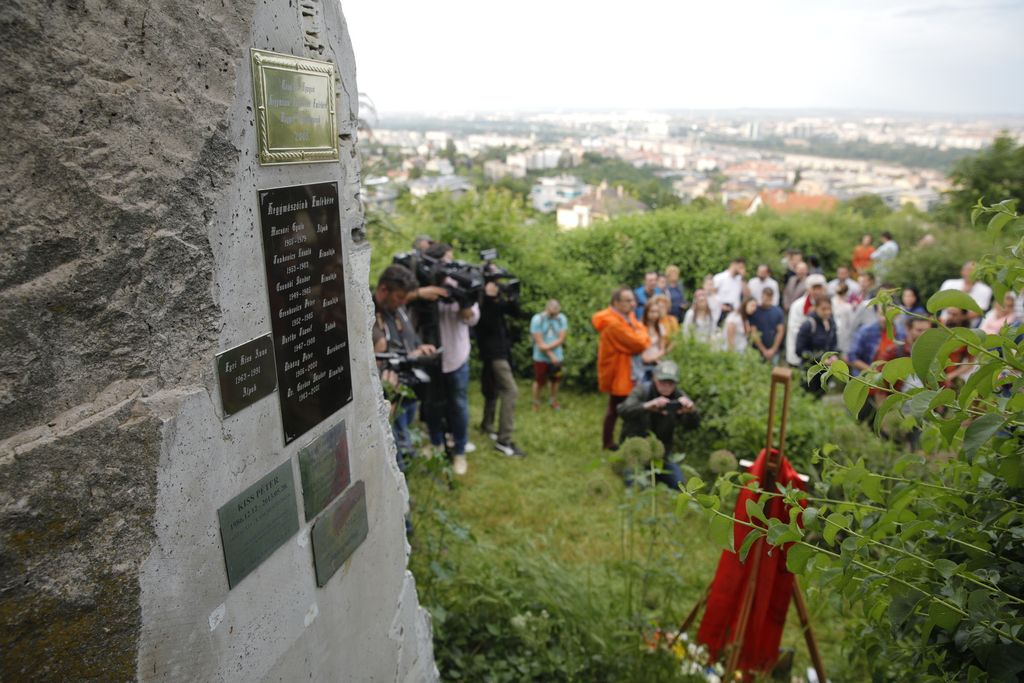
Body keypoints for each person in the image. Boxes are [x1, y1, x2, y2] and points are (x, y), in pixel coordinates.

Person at [373, 265, 439, 470]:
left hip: (408, 387)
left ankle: (408, 463)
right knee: (395, 440)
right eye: (399, 297)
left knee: (406, 430)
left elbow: (408, 338)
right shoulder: (369, 314)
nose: (403, 302)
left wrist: (420, 348)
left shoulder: (397, 309)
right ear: (383, 290)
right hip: (390, 393)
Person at [424, 243, 479, 475]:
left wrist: (462, 302)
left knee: (458, 405)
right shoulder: (424, 283)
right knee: (432, 405)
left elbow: (472, 318)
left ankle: (459, 451)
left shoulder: (461, 280)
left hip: (456, 355)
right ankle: (435, 443)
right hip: (431, 356)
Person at [617, 360, 699, 490]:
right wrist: (647, 406)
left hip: (662, 452)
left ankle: (655, 471)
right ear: (655, 378)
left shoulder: (679, 396)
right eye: (662, 381)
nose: (666, 386)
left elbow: (692, 426)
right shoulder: (642, 390)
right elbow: (622, 410)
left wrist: (690, 412)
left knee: (679, 484)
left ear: (675, 383)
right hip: (635, 448)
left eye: (670, 383)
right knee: (635, 485)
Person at [592, 287, 651, 451]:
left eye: (633, 300)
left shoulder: (627, 317)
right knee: (620, 409)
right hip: (619, 373)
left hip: (629, 370)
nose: (633, 304)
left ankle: (614, 442)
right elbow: (639, 343)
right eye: (628, 301)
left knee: (617, 408)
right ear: (616, 303)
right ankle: (615, 443)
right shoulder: (613, 324)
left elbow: (641, 334)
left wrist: (641, 334)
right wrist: (642, 335)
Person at [477, 276, 527, 458]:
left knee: (493, 389)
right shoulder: (481, 301)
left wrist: (513, 296)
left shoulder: (494, 302)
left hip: (499, 351)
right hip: (494, 353)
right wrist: (489, 298)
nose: (498, 286)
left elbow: (515, 312)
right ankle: (504, 440)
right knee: (510, 391)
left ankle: (487, 425)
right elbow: (485, 323)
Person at [530, 298, 568, 411]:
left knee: (555, 380)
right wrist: (550, 354)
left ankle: (553, 400)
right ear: (547, 309)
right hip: (540, 357)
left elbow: (561, 338)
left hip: (558, 357)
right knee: (539, 381)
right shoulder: (537, 319)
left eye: (557, 312)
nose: (554, 315)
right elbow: (539, 341)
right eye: (552, 313)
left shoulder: (561, 319)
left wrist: (547, 348)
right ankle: (536, 402)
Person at [795, 297, 838, 395]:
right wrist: (820, 359)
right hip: (810, 370)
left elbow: (833, 344)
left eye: (829, 309)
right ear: (816, 308)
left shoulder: (831, 323)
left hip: (825, 371)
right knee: (807, 395)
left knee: (820, 395)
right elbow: (799, 350)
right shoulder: (808, 325)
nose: (827, 312)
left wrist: (834, 355)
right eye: (824, 309)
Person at [846, 306, 903, 376]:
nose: (885, 318)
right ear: (876, 313)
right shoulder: (865, 332)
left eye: (889, 315)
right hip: (868, 379)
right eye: (882, 314)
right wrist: (874, 373)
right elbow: (852, 357)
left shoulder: (901, 333)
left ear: (896, 315)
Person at [785, 273, 827, 367]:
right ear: (808, 289)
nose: (817, 292)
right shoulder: (798, 305)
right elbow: (794, 328)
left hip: (819, 354)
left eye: (819, 288)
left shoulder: (827, 304)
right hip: (801, 351)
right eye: (814, 288)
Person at [749, 286, 785, 364]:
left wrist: (773, 350)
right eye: (766, 296)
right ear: (762, 296)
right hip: (757, 350)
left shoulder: (778, 312)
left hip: (774, 351)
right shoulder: (755, 311)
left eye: (770, 296)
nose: (767, 299)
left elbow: (780, 332)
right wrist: (764, 350)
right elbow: (754, 332)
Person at [634, 302, 669, 382]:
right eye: (652, 311)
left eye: (656, 312)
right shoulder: (639, 327)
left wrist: (654, 358)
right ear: (646, 312)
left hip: (656, 360)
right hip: (641, 362)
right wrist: (646, 358)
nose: (654, 315)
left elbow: (662, 348)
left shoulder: (660, 327)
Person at [712, 258, 747, 323]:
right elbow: (712, 293)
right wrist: (720, 305)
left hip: (734, 312)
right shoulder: (720, 277)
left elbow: (747, 295)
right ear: (733, 264)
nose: (741, 269)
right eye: (740, 267)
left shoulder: (740, 280)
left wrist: (743, 278)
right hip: (721, 310)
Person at [832, 283, 855, 355]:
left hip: (839, 332)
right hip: (841, 332)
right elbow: (851, 323)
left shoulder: (831, 302)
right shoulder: (848, 306)